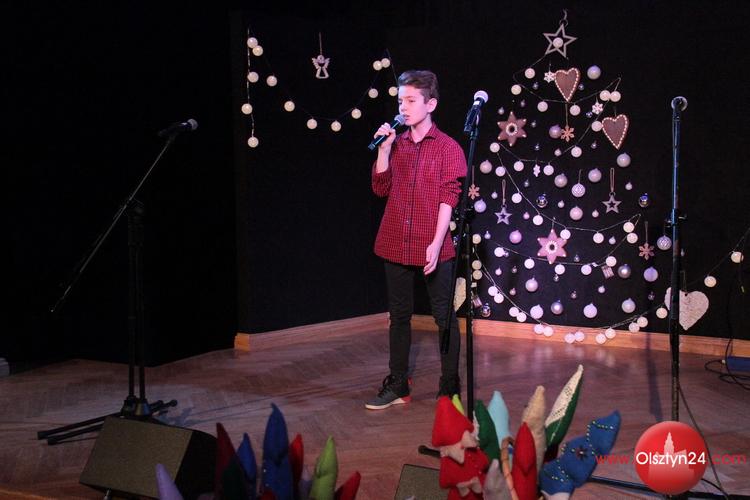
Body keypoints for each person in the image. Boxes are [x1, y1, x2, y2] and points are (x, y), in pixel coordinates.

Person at [366, 69, 468, 410]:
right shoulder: (396, 144)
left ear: (430, 104)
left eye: (411, 101)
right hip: (395, 239)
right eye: (400, 101)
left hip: (432, 242)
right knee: (398, 316)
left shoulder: (449, 148)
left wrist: (437, 243)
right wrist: (383, 151)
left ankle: (449, 385)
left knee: (444, 317)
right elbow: (380, 188)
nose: (403, 108)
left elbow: (448, 198)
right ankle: (398, 383)